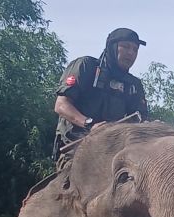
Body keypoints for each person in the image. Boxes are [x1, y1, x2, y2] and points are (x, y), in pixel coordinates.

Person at [54, 28, 150, 158]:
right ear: (112, 46)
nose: (131, 53)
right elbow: (61, 105)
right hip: (75, 149)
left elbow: (142, 120)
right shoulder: (86, 66)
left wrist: (153, 127)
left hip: (112, 152)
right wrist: (90, 124)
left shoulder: (133, 84)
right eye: (126, 47)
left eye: (135, 49)